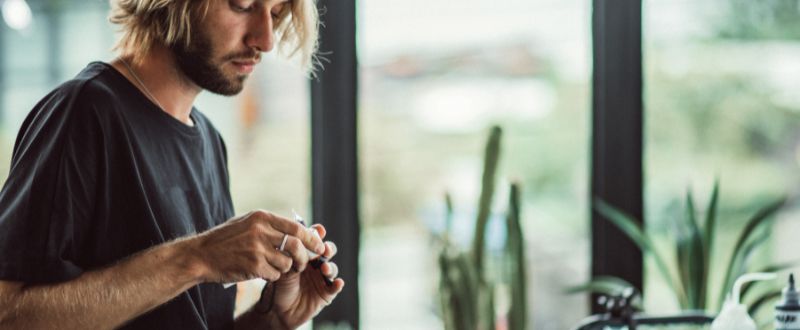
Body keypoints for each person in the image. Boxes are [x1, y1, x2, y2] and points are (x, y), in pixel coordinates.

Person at [0, 0, 344, 328]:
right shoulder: (83, 113)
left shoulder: (210, 141)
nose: (265, 40)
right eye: (242, 6)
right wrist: (197, 257)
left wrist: (272, 320)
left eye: (277, 12)